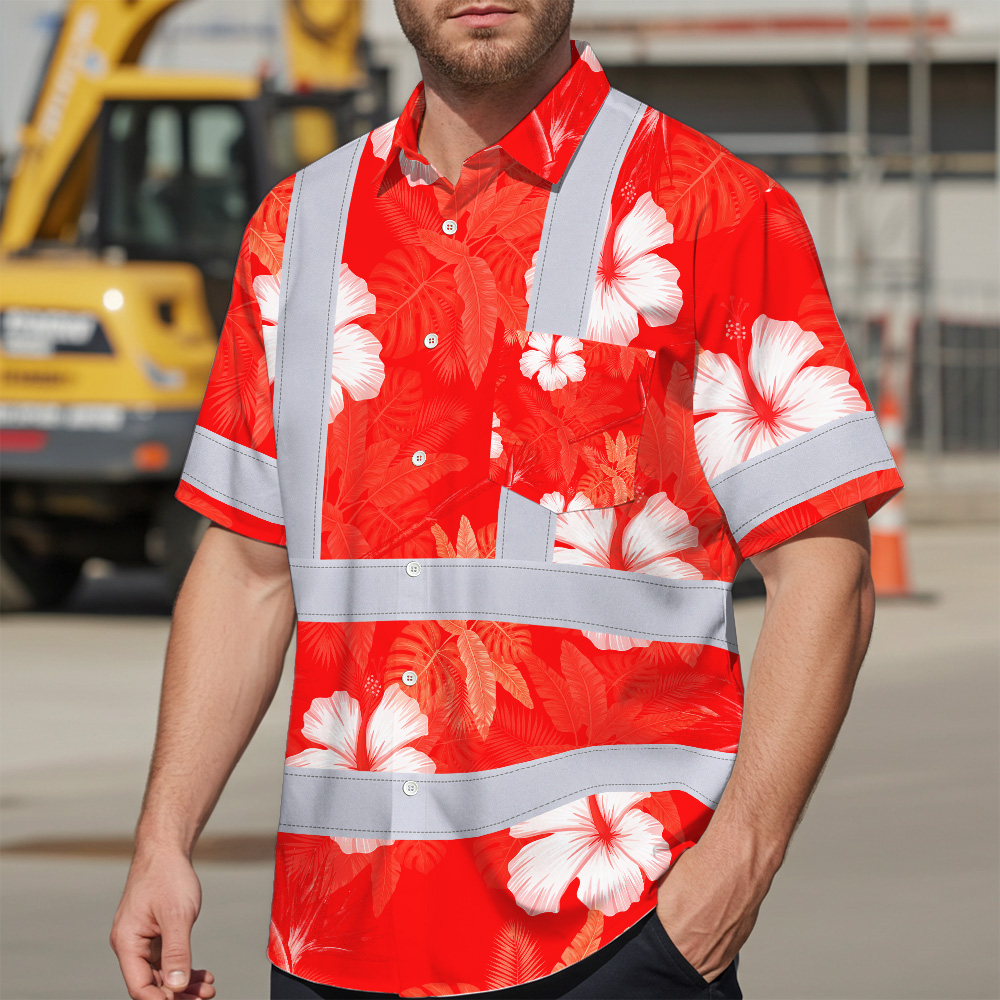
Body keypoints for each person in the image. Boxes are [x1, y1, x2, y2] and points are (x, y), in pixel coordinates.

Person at [109, 2, 904, 998]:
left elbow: (825, 569)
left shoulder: (713, 208)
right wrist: (163, 839)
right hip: (335, 937)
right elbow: (243, 568)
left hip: (611, 933)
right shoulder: (296, 228)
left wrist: (735, 868)